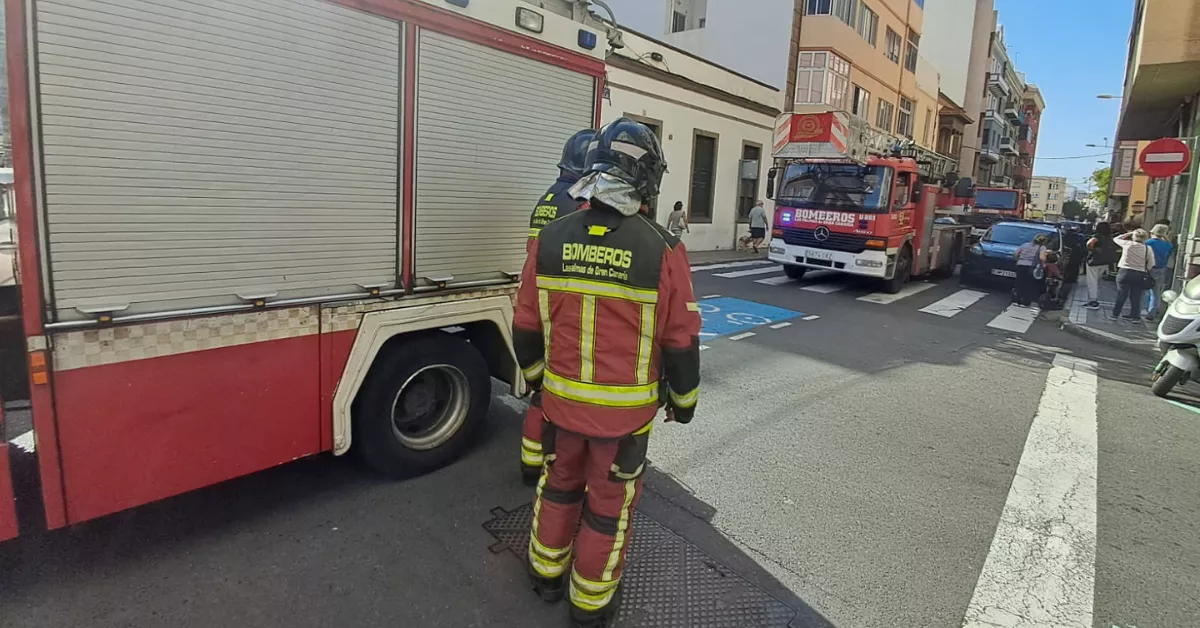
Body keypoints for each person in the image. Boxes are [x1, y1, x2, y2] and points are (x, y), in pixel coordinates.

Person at [512, 118, 701, 628]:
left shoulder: (550, 239)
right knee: (607, 507)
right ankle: (590, 604)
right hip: (624, 419)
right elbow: (680, 339)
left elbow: (525, 324)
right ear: (647, 179)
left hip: (559, 407)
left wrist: (536, 381)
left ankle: (545, 575)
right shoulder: (663, 248)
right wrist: (683, 403)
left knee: (558, 486)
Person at [519, 129, 598, 485]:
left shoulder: (547, 197)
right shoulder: (579, 201)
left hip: (536, 298)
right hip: (561, 305)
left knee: (541, 390)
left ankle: (529, 461)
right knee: (558, 392)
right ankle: (556, 465)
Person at [1107, 228, 1156, 323]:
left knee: (1121, 295)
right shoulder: (1147, 248)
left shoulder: (1127, 244)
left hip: (1124, 272)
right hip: (1139, 274)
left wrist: (1129, 233)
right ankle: (1135, 317)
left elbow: (1116, 239)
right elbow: (1151, 264)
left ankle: (1115, 315)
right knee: (1136, 297)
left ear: (1134, 236)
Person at [1083, 222, 1117, 310]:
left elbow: (1089, 243)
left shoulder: (1097, 236)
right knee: (1096, 280)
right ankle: (1093, 299)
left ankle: (1093, 301)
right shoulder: (1110, 238)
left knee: (1092, 281)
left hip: (1094, 262)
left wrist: (1092, 249)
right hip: (1106, 262)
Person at [1144, 223, 1174, 320]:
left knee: (1145, 290)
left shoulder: (1148, 242)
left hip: (1149, 268)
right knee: (1156, 292)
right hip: (1161, 269)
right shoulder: (1168, 245)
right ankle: (1153, 311)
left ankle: (1145, 310)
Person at [1012, 234, 1049, 307]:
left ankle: (1017, 300)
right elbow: (1042, 258)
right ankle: (1025, 302)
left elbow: (1016, 253)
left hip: (1020, 265)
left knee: (1019, 283)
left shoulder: (1025, 245)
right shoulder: (1042, 247)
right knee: (1029, 284)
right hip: (1031, 267)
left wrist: (1018, 260)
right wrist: (1043, 265)